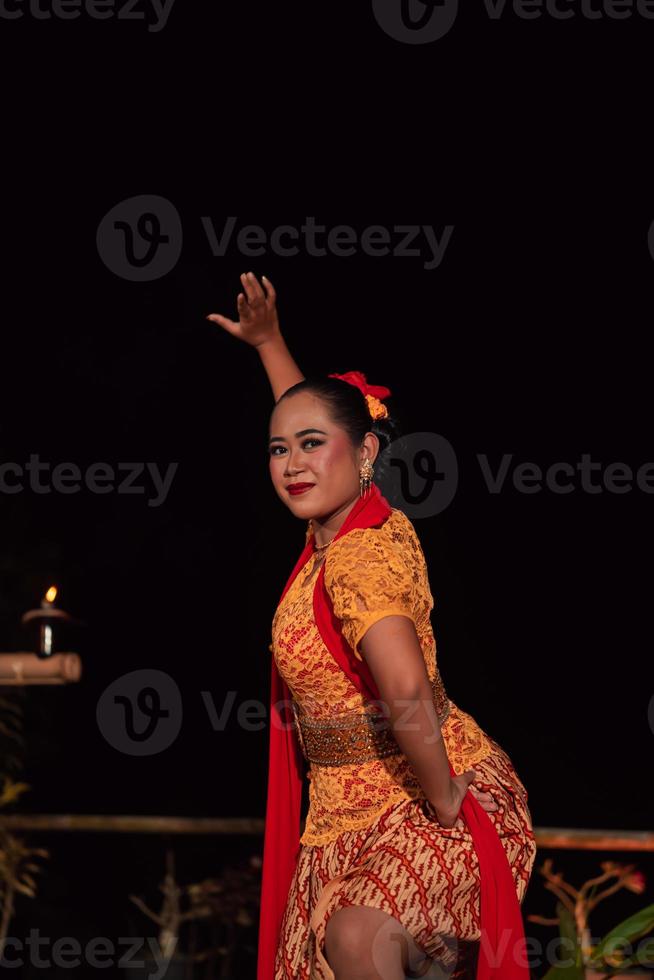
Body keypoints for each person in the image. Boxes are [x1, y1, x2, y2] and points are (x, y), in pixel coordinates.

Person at [207, 273, 538, 980]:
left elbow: (404, 687)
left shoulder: (357, 557)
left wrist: (447, 797)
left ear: (364, 456)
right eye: (277, 449)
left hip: (430, 797)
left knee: (357, 940)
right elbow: (319, 421)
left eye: (309, 446)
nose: (292, 464)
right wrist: (269, 343)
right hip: (337, 825)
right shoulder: (344, 527)